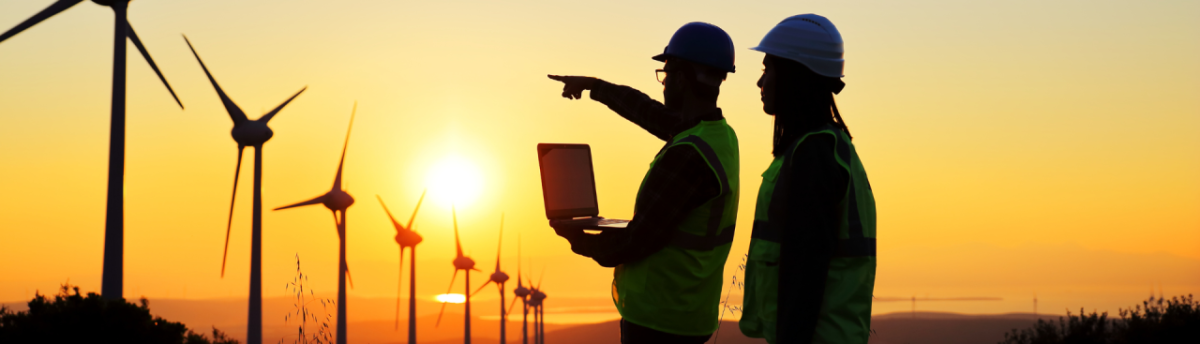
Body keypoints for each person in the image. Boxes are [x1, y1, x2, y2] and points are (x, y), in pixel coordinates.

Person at [546, 22, 740, 344]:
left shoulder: (688, 155)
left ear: (680, 78)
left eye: (665, 74)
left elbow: (636, 241)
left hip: (660, 321)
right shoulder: (719, 136)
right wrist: (595, 86)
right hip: (690, 313)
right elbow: (649, 113)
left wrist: (578, 239)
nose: (662, 84)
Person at [738, 14, 877, 344]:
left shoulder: (814, 157)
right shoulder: (827, 148)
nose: (760, 83)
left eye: (767, 70)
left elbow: (804, 274)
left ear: (793, 75)